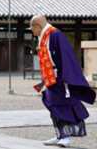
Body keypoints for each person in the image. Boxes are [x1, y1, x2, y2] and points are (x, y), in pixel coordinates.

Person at [30, 15, 96, 147]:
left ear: (38, 25)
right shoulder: (44, 36)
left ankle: (65, 137)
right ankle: (59, 134)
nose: (32, 31)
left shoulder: (55, 35)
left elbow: (67, 57)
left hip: (60, 78)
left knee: (62, 106)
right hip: (50, 78)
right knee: (52, 105)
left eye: (32, 28)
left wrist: (66, 77)